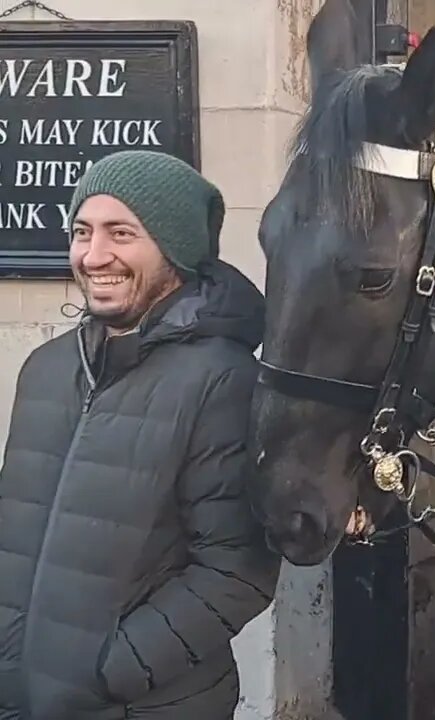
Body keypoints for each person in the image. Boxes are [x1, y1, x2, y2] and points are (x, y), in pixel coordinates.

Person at [0, 150, 281, 720]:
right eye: (82, 231)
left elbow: (236, 569)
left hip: (141, 705)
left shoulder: (223, 380)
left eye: (121, 233)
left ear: (175, 250)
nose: (93, 255)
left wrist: (111, 669)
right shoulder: (47, 367)